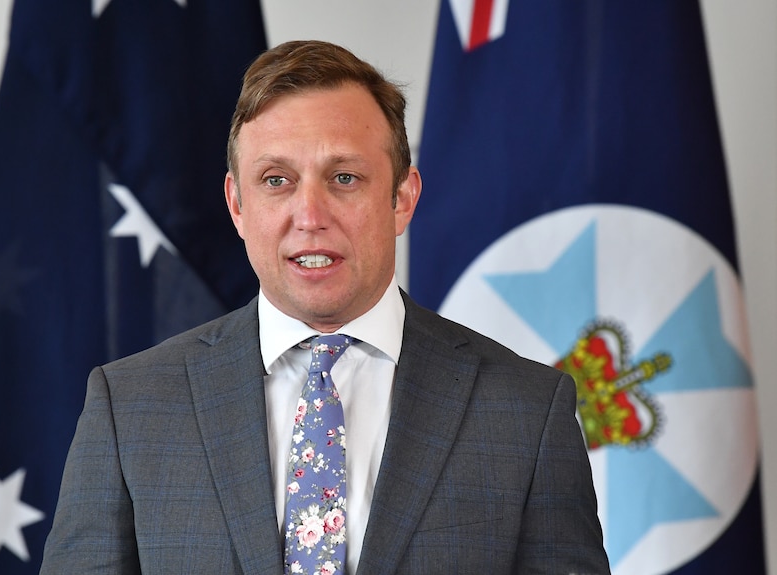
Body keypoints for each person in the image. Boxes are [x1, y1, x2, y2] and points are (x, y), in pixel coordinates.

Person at [41, 40, 610, 574]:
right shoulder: (130, 407)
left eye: (344, 177)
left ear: (402, 199)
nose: (309, 214)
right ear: (237, 205)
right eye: (276, 180)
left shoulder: (527, 413)